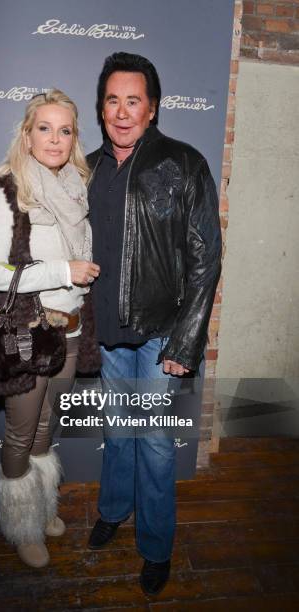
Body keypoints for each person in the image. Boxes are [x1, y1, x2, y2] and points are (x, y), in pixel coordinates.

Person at [87, 52, 222, 595]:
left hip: (162, 334)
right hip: (108, 333)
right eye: (113, 100)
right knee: (117, 433)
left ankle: (157, 546)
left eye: (133, 100)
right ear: (102, 109)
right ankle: (113, 510)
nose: (122, 112)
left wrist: (185, 343)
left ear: (153, 108)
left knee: (156, 442)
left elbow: (205, 258)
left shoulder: (184, 164)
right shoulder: (86, 166)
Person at [0, 89, 100, 569]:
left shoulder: (75, 190)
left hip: (70, 331)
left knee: (49, 428)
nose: (55, 139)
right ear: (27, 136)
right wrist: (63, 271)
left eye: (65, 130)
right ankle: (21, 524)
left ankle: (41, 505)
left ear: (74, 138)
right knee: (21, 433)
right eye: (44, 128)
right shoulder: (7, 190)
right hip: (27, 332)